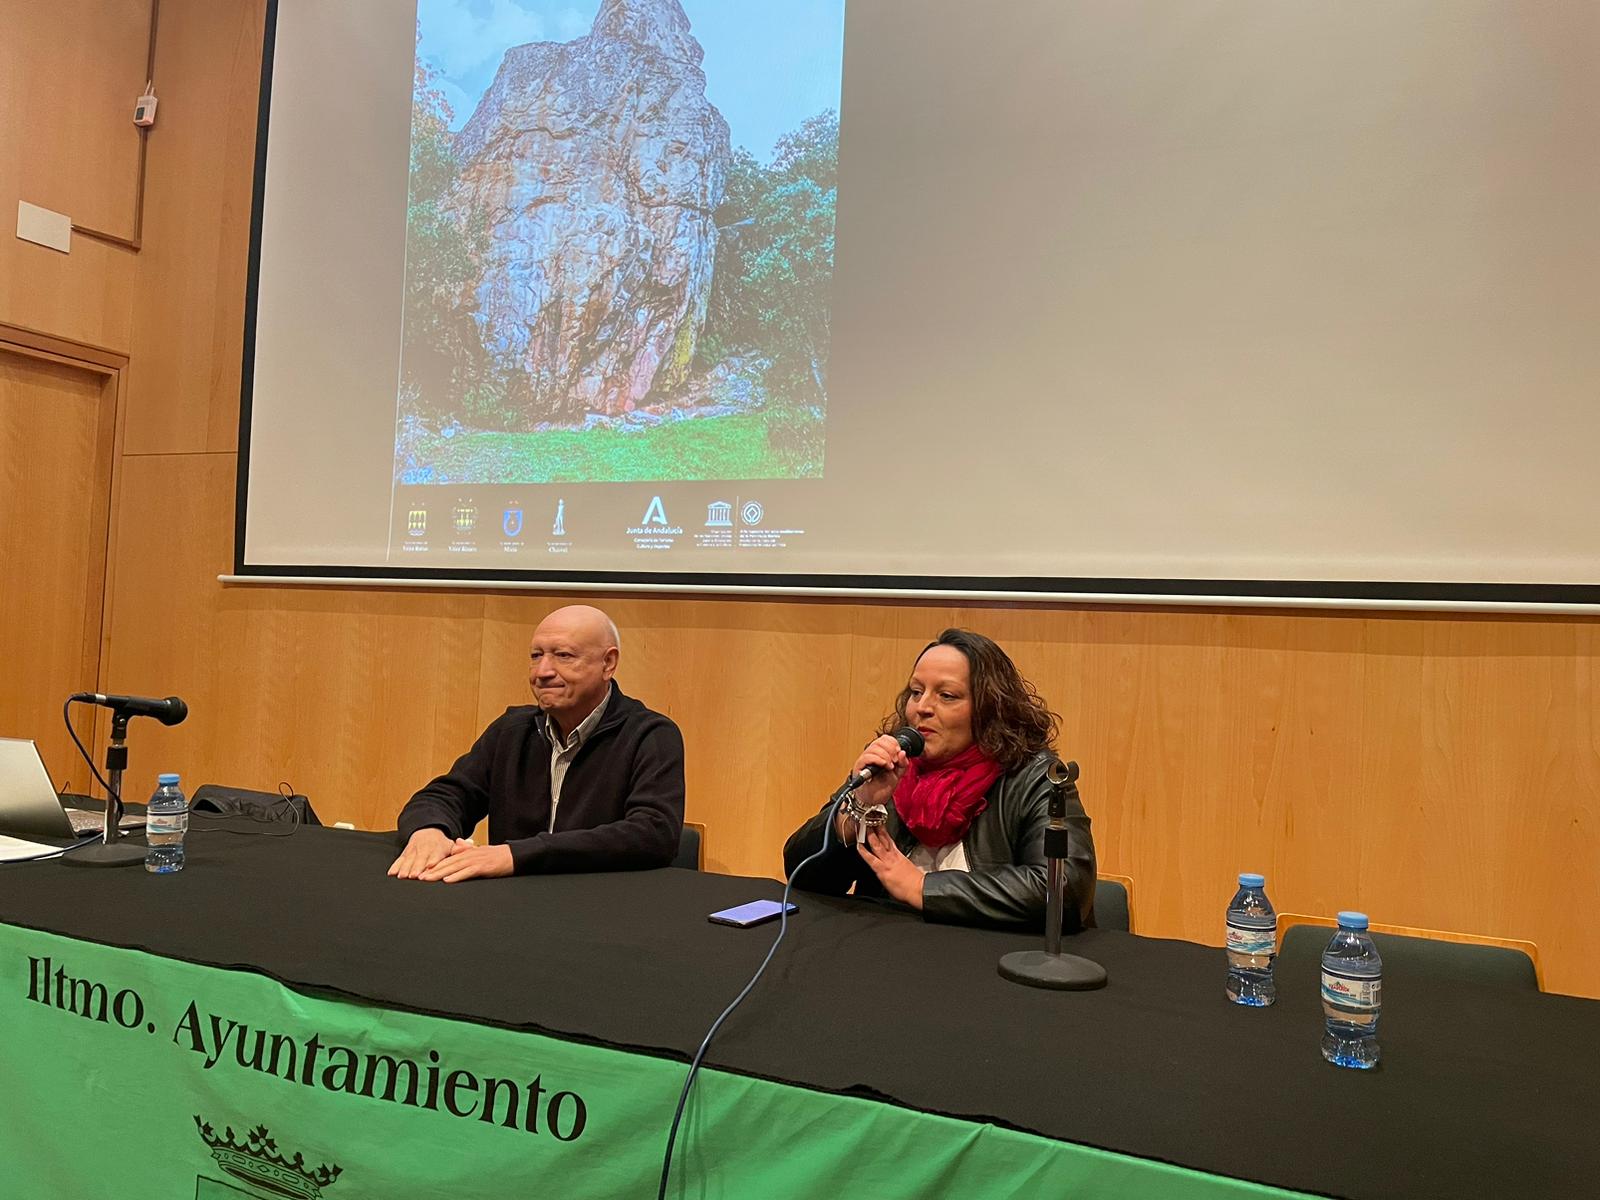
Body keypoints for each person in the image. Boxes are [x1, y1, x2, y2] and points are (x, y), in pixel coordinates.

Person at [783, 629, 1095, 929]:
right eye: (916, 692)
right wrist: (854, 811)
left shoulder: (1032, 776)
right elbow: (801, 876)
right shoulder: (889, 766)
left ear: (989, 709)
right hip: (886, 953)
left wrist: (923, 888)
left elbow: (1064, 890)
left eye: (946, 695)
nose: (922, 708)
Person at [388, 605, 684, 882]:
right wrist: (430, 830)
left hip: (602, 908)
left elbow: (653, 833)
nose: (542, 672)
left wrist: (517, 855)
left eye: (563, 656)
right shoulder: (512, 730)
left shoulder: (651, 735)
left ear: (608, 663)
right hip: (513, 907)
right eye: (536, 655)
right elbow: (445, 796)